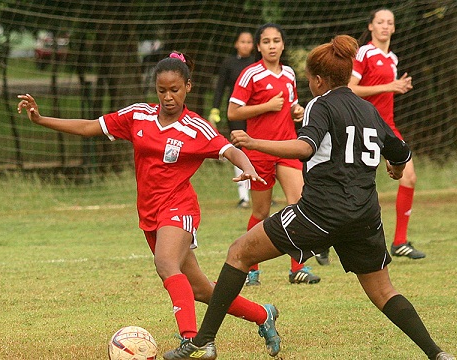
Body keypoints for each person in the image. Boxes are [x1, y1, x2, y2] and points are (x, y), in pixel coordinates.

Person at [163, 35, 455, 360]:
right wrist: (397, 170)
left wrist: (255, 142)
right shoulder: (368, 109)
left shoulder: (321, 103)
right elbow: (400, 151)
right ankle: (438, 354)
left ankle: (203, 340)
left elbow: (306, 147)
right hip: (365, 216)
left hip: (321, 212)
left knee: (239, 252)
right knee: (384, 292)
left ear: (318, 80)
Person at [16, 52, 282, 359]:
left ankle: (193, 341)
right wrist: (40, 119)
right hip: (150, 213)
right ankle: (263, 315)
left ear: (188, 88)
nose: (168, 97)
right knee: (201, 291)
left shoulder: (196, 127)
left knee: (166, 264)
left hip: (179, 208)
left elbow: (227, 149)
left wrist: (247, 165)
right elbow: (90, 126)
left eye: (175, 90)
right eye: (162, 90)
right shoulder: (138, 116)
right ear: (155, 89)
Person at [226, 23, 323, 286]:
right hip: (259, 149)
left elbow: (290, 104)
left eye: (276, 41)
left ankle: (298, 268)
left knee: (299, 204)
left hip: (287, 147)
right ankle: (251, 268)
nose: (271, 45)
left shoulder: (290, 73)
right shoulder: (250, 75)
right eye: (266, 41)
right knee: (261, 212)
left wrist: (297, 110)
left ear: (282, 45)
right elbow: (233, 112)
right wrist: (266, 106)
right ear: (259, 47)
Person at [348, 8, 425, 259]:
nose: (384, 26)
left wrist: (397, 86)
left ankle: (400, 241)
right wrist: (390, 85)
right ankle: (325, 241)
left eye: (389, 22)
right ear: (371, 26)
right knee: (350, 183)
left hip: (386, 125)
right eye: (380, 22)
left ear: (393, 28)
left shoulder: (392, 58)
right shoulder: (363, 53)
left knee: (409, 176)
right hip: (362, 124)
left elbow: (384, 93)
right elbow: (350, 89)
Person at [208, 30, 255, 209]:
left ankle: (261, 191)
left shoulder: (256, 64)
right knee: (239, 149)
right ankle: (244, 196)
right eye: (242, 41)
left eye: (249, 42)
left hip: (255, 114)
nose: (245, 45)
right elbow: (219, 88)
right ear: (236, 43)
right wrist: (215, 109)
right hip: (235, 113)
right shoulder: (228, 63)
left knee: (258, 150)